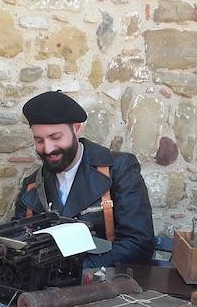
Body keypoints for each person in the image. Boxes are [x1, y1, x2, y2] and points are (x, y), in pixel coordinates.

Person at [12, 91, 155, 268]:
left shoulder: (119, 169)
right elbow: (17, 241)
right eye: (39, 140)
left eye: (55, 137)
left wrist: (75, 269)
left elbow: (139, 245)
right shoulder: (32, 185)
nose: (48, 148)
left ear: (77, 129)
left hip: (104, 286)